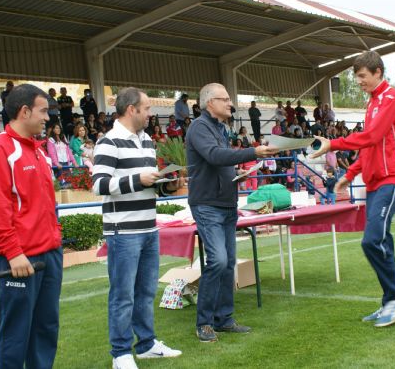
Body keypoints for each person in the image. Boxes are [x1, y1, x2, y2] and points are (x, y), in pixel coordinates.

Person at [311, 51, 395, 328]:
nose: (359, 82)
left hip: (393, 177)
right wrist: (352, 173)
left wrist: (334, 144)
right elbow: (370, 146)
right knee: (382, 241)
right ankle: (390, 301)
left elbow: (373, 136)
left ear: (378, 72)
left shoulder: (391, 98)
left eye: (363, 77)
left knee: (371, 240)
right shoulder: (373, 104)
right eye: (357, 78)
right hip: (375, 180)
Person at [91, 87, 182, 369]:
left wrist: (166, 186)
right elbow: (99, 185)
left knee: (145, 292)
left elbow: (146, 186)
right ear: (132, 110)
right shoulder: (108, 142)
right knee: (123, 295)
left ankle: (146, 344)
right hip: (122, 232)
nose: (150, 114)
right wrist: (138, 180)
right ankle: (120, 354)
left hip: (148, 227)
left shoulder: (147, 142)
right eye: (146, 108)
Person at [186, 82, 278, 342]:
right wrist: (253, 151)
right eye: (224, 99)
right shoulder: (199, 127)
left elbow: (220, 161)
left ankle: (224, 319)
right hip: (207, 205)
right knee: (218, 261)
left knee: (228, 265)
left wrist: (238, 173)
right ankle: (204, 322)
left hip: (226, 203)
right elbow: (215, 156)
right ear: (209, 103)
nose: (230, 103)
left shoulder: (221, 128)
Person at [0, 83, 62, 369]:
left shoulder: (40, 152)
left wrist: (55, 241)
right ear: (24, 111)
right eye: (42, 111)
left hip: (49, 255)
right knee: (14, 336)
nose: (47, 118)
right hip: (18, 259)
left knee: (45, 330)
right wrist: (13, 252)